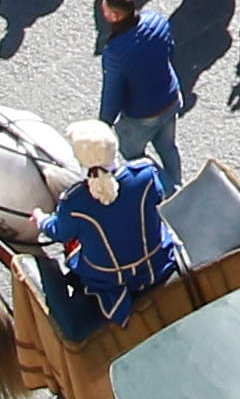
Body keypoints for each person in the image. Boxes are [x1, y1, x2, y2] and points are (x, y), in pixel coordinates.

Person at [38, 123, 186, 331]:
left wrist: (40, 219)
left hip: (112, 282)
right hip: (157, 263)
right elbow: (158, 197)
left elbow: (59, 232)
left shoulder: (74, 201)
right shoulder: (145, 173)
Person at [92, 0, 192, 188]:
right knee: (168, 147)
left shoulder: (116, 51)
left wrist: (104, 124)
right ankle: (179, 184)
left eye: (105, 10)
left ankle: (170, 191)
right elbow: (170, 52)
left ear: (115, 15)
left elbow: (113, 93)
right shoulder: (157, 20)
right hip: (171, 97)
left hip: (143, 114)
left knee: (135, 156)